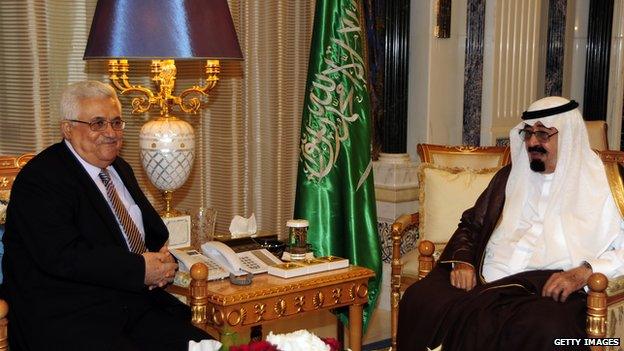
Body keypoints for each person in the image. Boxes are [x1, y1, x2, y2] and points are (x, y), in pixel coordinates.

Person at [397, 96, 624, 351]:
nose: (532, 143)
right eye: (527, 133)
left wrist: (585, 271)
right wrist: (464, 260)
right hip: (486, 280)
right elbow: (471, 224)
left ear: (569, 136)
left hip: (549, 288)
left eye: (543, 134)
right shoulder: (510, 177)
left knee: (546, 329)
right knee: (421, 298)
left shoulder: (608, 184)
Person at [2, 81, 210, 351]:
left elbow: (150, 231)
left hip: (132, 305)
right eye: (98, 124)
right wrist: (140, 269)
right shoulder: (41, 179)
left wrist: (162, 262)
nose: (111, 133)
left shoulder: (118, 168)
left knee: (207, 347)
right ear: (67, 128)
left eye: (116, 122)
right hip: (68, 314)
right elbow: (63, 256)